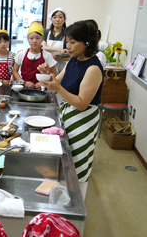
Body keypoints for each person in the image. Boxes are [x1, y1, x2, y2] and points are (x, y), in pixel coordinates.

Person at [39, 20, 104, 197]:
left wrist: (58, 89)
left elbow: (82, 103)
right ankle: (64, 198)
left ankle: (76, 204)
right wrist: (48, 75)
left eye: (73, 42)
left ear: (87, 43)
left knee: (77, 163)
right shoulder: (74, 60)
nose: (68, 45)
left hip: (83, 119)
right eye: (67, 41)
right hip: (68, 113)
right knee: (66, 160)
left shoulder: (92, 68)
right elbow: (57, 81)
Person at [13, 22, 57, 88]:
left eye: (37, 38)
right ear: (27, 39)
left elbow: (54, 73)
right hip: (24, 87)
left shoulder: (47, 55)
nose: (34, 41)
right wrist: (23, 82)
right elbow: (15, 71)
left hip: (42, 87)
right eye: (31, 38)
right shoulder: (21, 54)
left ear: (42, 39)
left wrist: (43, 82)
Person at [41, 8, 70, 73]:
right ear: (51, 19)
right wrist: (57, 49)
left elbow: (70, 55)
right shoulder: (46, 32)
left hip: (61, 67)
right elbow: (43, 47)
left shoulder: (67, 35)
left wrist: (58, 57)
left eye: (60, 17)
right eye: (54, 17)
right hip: (46, 66)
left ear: (64, 19)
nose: (57, 20)